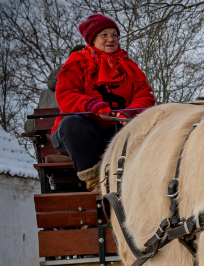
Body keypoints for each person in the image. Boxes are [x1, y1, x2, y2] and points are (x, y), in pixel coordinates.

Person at [53, 14, 155, 189]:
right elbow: (66, 94)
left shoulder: (128, 65)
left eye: (114, 35)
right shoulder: (77, 62)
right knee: (71, 124)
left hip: (116, 131)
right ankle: (95, 184)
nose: (111, 39)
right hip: (82, 134)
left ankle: (140, 184)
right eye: (104, 35)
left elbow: (144, 94)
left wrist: (131, 111)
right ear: (92, 39)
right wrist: (90, 104)